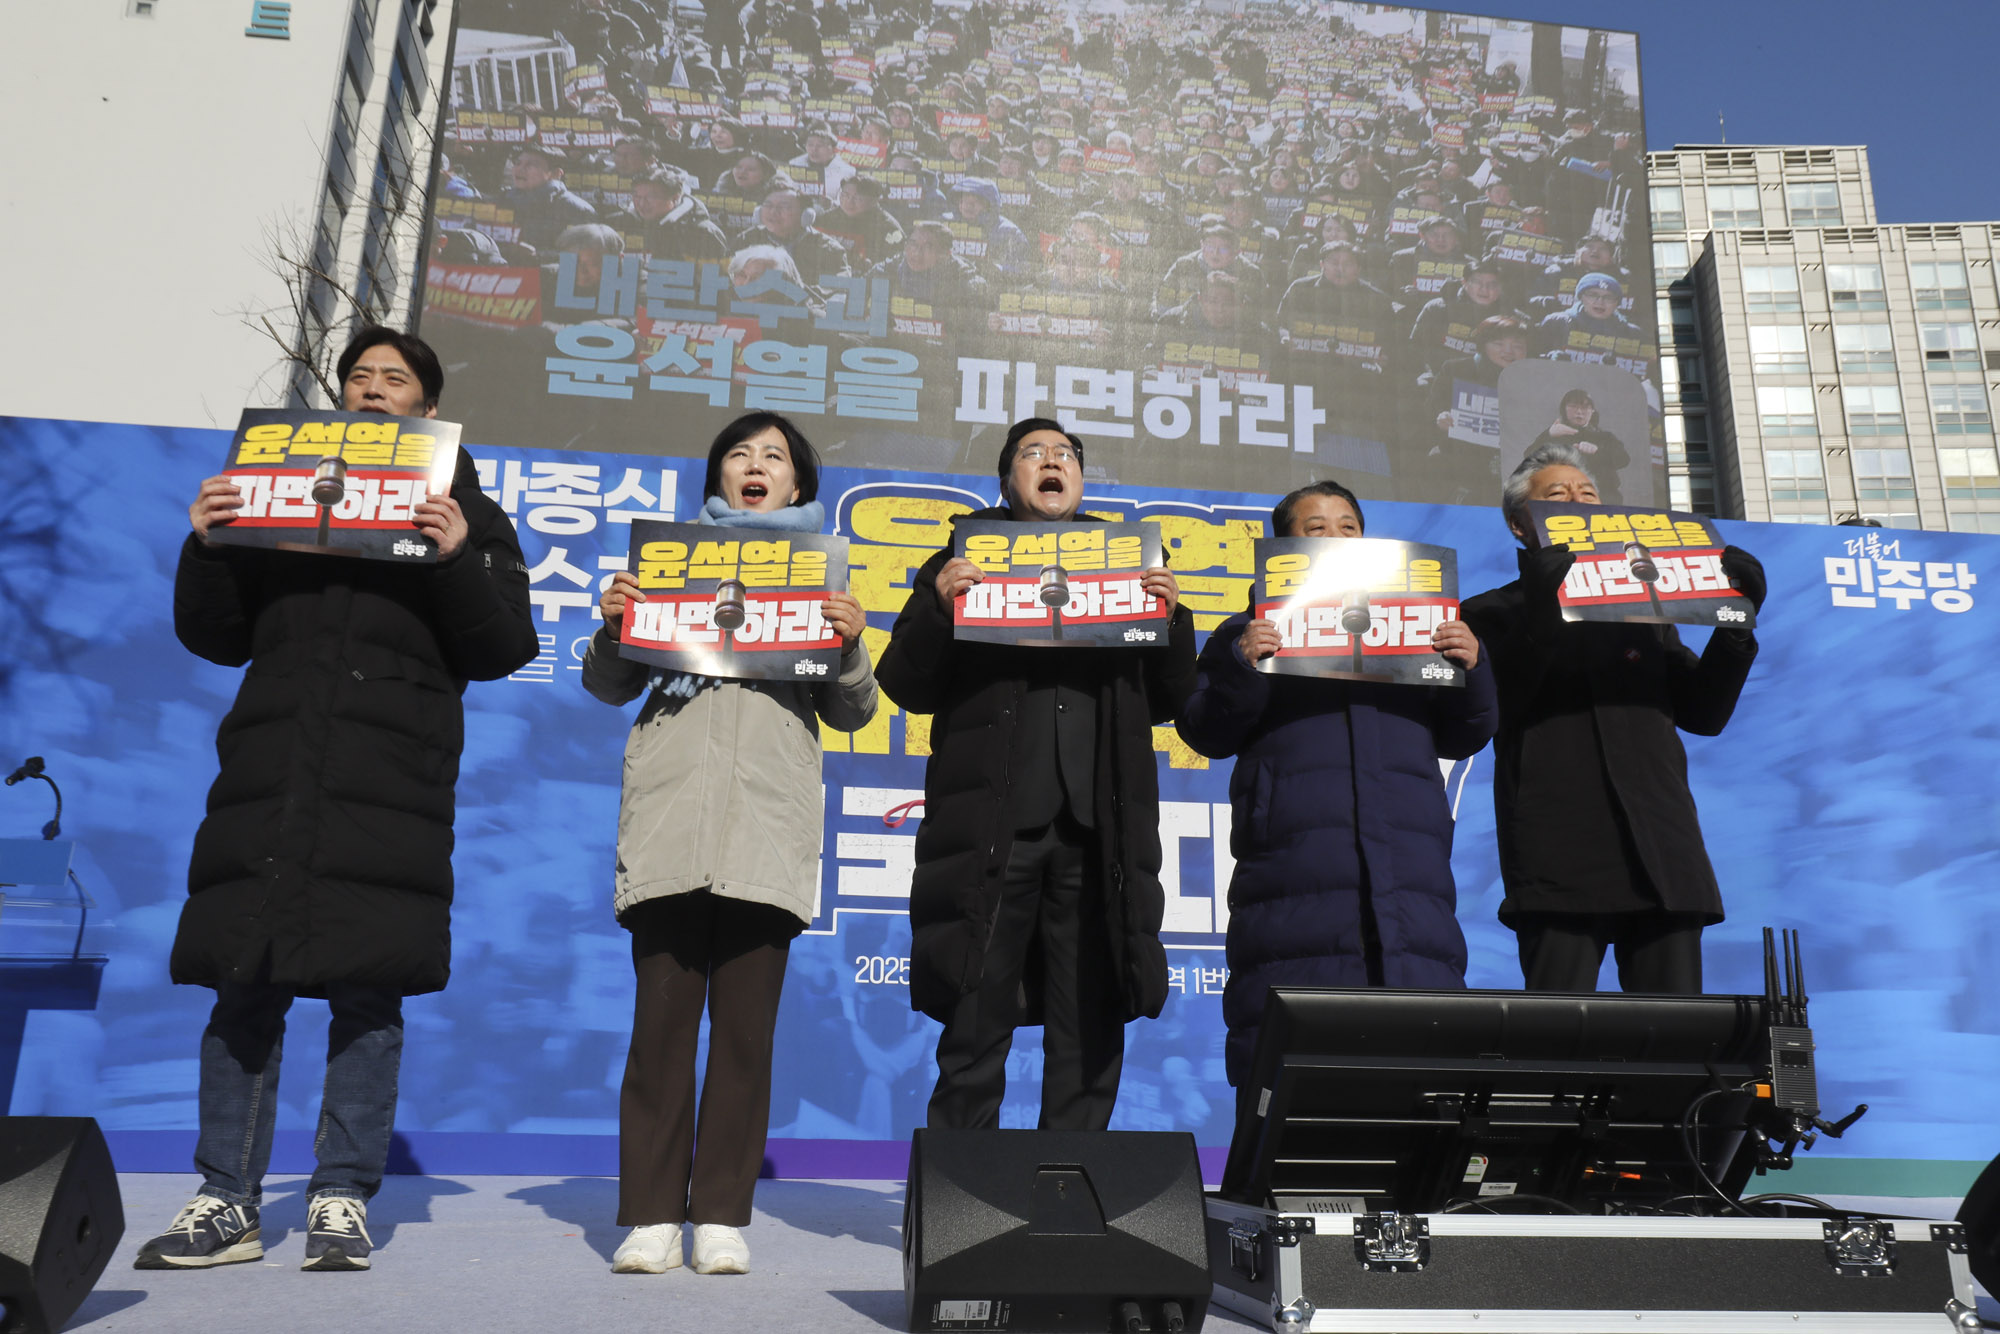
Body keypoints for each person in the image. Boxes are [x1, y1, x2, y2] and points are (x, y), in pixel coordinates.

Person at [140, 327, 537, 1271]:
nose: (370, 390)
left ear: (428, 409)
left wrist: (453, 559)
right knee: (245, 987)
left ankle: (339, 1197)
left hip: (389, 789)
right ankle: (225, 1200)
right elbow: (217, 637)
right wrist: (207, 546)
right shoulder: (278, 495)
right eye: (357, 378)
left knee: (369, 993)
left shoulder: (470, 516)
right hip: (272, 780)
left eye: (394, 380)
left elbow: (504, 647)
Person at [583, 412, 877, 1277]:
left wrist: (850, 645)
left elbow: (854, 710)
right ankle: (648, 1214)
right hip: (672, 817)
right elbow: (607, 685)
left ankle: (717, 1212)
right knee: (661, 1030)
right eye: (739, 457)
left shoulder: (823, 578)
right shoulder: (668, 566)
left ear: (798, 487)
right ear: (718, 479)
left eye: (773, 459)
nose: (754, 468)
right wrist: (615, 624)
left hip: (766, 826)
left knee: (747, 1035)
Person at [876, 418, 1197, 1130]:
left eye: (1066, 455)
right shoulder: (961, 559)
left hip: (1099, 833)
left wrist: (1174, 621)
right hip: (993, 828)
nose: (1052, 463)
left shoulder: (1129, 564)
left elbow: (1177, 702)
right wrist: (938, 607)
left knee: (1090, 1017)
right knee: (975, 1016)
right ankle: (964, 1197)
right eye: (1033, 454)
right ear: (1006, 482)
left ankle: (1070, 1190)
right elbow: (902, 683)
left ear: (1080, 479)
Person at [1175, 480, 1496, 1103]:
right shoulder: (1241, 634)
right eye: (1315, 527)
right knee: (1291, 1068)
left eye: (1348, 526)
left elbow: (1468, 734)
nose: (1335, 537)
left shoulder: (1424, 628)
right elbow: (1206, 730)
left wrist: (1473, 668)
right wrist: (1245, 664)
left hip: (1410, 881)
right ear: (1282, 547)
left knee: (1419, 1064)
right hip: (1291, 881)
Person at [1458, 445, 1767, 994]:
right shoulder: (1489, 612)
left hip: (1663, 854)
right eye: (1557, 497)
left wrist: (1734, 627)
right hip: (1558, 856)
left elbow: (1704, 712)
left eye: (1588, 495)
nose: (1577, 504)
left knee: (1675, 1047)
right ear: (1519, 526)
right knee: (1556, 1043)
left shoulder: (1645, 612)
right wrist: (1543, 604)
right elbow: (1495, 703)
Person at [1529, 389, 1632, 503]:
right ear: (1564, 409)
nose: (1579, 412)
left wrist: (1597, 451)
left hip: (1603, 499)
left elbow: (1624, 460)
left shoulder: (1605, 437)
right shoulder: (1554, 435)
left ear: (1592, 411)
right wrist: (1549, 434)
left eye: (1584, 407)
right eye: (1573, 406)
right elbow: (1529, 458)